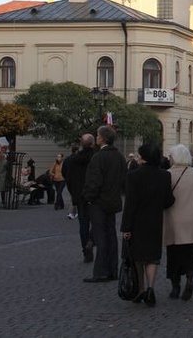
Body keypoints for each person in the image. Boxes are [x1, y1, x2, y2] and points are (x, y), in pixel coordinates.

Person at [121, 143, 175, 306]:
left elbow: (130, 204)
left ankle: (141, 289)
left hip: (137, 222)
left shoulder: (134, 176)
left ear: (143, 158)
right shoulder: (165, 175)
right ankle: (151, 287)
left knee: (136, 257)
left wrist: (126, 227)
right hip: (155, 221)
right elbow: (168, 201)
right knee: (152, 257)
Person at [164, 144, 193, 301]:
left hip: (173, 218)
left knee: (173, 253)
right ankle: (191, 276)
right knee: (191, 252)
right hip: (192, 217)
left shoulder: (167, 174)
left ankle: (175, 286)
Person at [82, 125, 125, 283]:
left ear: (103, 138)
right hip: (113, 200)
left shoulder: (99, 157)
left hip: (99, 202)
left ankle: (100, 272)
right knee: (111, 235)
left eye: (98, 135)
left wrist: (88, 197)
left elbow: (94, 181)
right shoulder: (119, 157)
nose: (97, 137)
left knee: (100, 238)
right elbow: (122, 180)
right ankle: (113, 270)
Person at [63, 134, 95, 262]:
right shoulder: (96, 158)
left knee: (83, 224)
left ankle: (86, 249)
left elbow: (67, 176)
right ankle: (92, 241)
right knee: (99, 223)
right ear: (92, 144)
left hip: (80, 196)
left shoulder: (71, 160)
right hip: (94, 196)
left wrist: (74, 192)